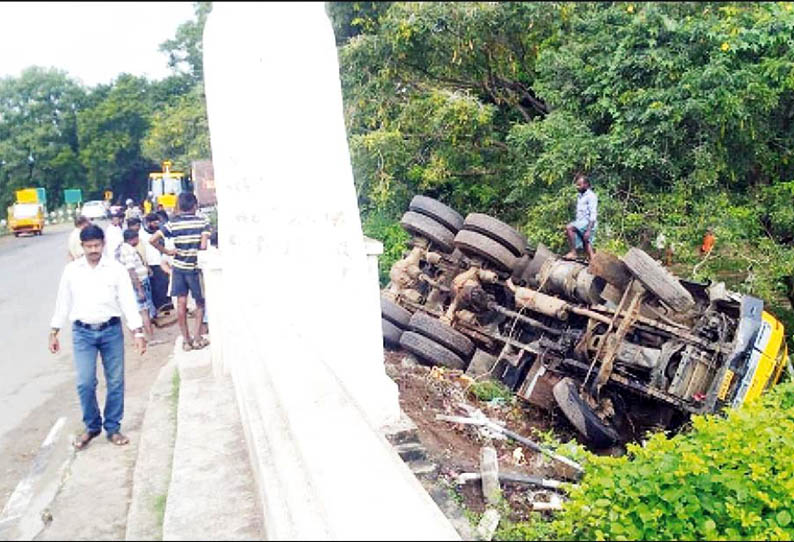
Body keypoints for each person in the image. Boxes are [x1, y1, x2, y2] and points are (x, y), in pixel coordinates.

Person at [48, 224, 146, 449]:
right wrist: (54, 331)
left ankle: (113, 428)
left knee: (115, 381)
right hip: (82, 333)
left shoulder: (115, 269)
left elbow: (128, 302)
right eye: (89, 246)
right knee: (85, 382)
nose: (93, 250)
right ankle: (92, 426)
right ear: (81, 246)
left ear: (103, 244)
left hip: (111, 331)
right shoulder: (72, 271)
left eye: (97, 245)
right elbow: (63, 302)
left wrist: (138, 331)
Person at [149, 192, 211, 351]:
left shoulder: (173, 223)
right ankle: (198, 338)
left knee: (181, 304)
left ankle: (186, 340)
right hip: (194, 268)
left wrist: (167, 251)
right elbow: (203, 246)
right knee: (199, 303)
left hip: (178, 269)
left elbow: (152, 240)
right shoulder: (203, 221)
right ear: (195, 206)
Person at [119, 229, 155, 338]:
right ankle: (150, 337)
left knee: (141, 309)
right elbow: (131, 270)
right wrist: (139, 289)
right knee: (144, 310)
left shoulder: (123, 248)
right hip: (139, 282)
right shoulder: (129, 251)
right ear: (133, 239)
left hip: (138, 281)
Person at [140, 213, 171, 313]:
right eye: (154, 222)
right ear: (149, 223)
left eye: (157, 221)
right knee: (156, 286)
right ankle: (159, 306)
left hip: (161, 260)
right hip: (151, 262)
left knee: (164, 283)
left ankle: (166, 304)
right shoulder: (142, 233)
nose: (157, 223)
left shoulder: (160, 231)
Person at [564, 173, 598, 261]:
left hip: (588, 223)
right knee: (586, 243)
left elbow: (593, 214)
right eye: (577, 185)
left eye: (579, 185)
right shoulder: (580, 196)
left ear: (586, 185)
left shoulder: (591, 196)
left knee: (569, 228)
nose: (577, 187)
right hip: (581, 222)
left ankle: (573, 252)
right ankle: (593, 259)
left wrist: (588, 230)